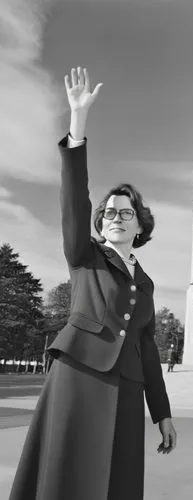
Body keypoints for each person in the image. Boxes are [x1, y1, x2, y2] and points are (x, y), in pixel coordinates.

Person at [9, 67, 177, 500]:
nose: (113, 217)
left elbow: (148, 348)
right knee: (67, 478)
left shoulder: (149, 282)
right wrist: (78, 123)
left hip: (127, 390)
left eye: (125, 212)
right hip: (79, 376)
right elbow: (74, 197)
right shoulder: (85, 256)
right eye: (108, 213)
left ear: (141, 225)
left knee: (115, 485)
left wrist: (162, 414)